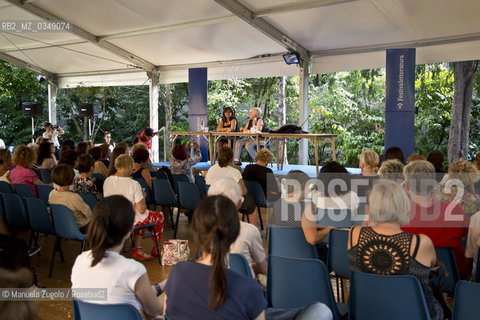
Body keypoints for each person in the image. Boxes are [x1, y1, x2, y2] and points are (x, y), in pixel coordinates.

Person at [348, 179, 443, 320]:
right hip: (414, 314)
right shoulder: (420, 243)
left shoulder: (354, 234)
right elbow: (434, 267)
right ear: (405, 206)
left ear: (372, 206)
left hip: (367, 310)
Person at [164, 195, 267, 319]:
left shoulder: (178, 272)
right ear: (234, 234)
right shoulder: (250, 289)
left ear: (196, 231)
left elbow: (167, 313)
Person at [71, 195, 163, 318]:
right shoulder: (133, 269)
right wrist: (169, 294)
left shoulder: (80, 261)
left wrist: (162, 285)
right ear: (131, 229)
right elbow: (155, 310)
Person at [400, 160, 470, 278]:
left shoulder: (399, 215)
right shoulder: (455, 210)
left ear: (406, 185)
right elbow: (465, 237)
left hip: (412, 277)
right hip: (453, 275)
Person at [103, 155, 164, 259]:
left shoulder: (107, 181)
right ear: (130, 165)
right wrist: (143, 197)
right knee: (158, 216)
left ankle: (139, 249)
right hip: (129, 219)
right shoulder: (133, 184)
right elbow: (141, 210)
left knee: (142, 218)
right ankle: (156, 249)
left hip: (112, 217)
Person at [208, 178, 267, 276]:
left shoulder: (203, 229)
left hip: (212, 285)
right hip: (244, 287)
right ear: (240, 204)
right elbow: (263, 269)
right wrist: (251, 267)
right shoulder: (250, 230)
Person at [304, 161, 359, 260]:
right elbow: (356, 222)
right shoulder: (353, 196)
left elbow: (314, 226)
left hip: (323, 246)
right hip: (347, 246)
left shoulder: (316, 197)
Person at [206, 147, 257, 227]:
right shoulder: (235, 172)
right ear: (231, 158)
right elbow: (243, 191)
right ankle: (254, 230)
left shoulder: (211, 169)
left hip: (212, 201)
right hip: (230, 202)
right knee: (250, 202)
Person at [49, 164, 92, 232]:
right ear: (72, 179)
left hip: (60, 225)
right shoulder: (73, 197)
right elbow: (88, 213)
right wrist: (80, 213)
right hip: (79, 227)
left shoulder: (52, 193)